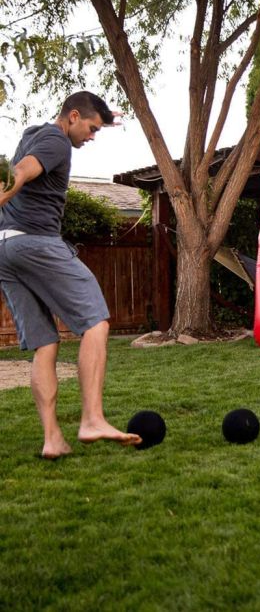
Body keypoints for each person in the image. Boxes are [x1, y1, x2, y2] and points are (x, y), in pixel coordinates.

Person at [0, 91, 141, 457]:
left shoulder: (33, 132)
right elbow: (21, 172)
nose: (91, 137)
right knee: (96, 321)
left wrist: (106, 117)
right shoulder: (55, 140)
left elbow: (24, 161)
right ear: (73, 116)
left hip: (5, 248)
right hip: (37, 243)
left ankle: (52, 439)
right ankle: (92, 418)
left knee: (45, 343)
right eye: (91, 128)